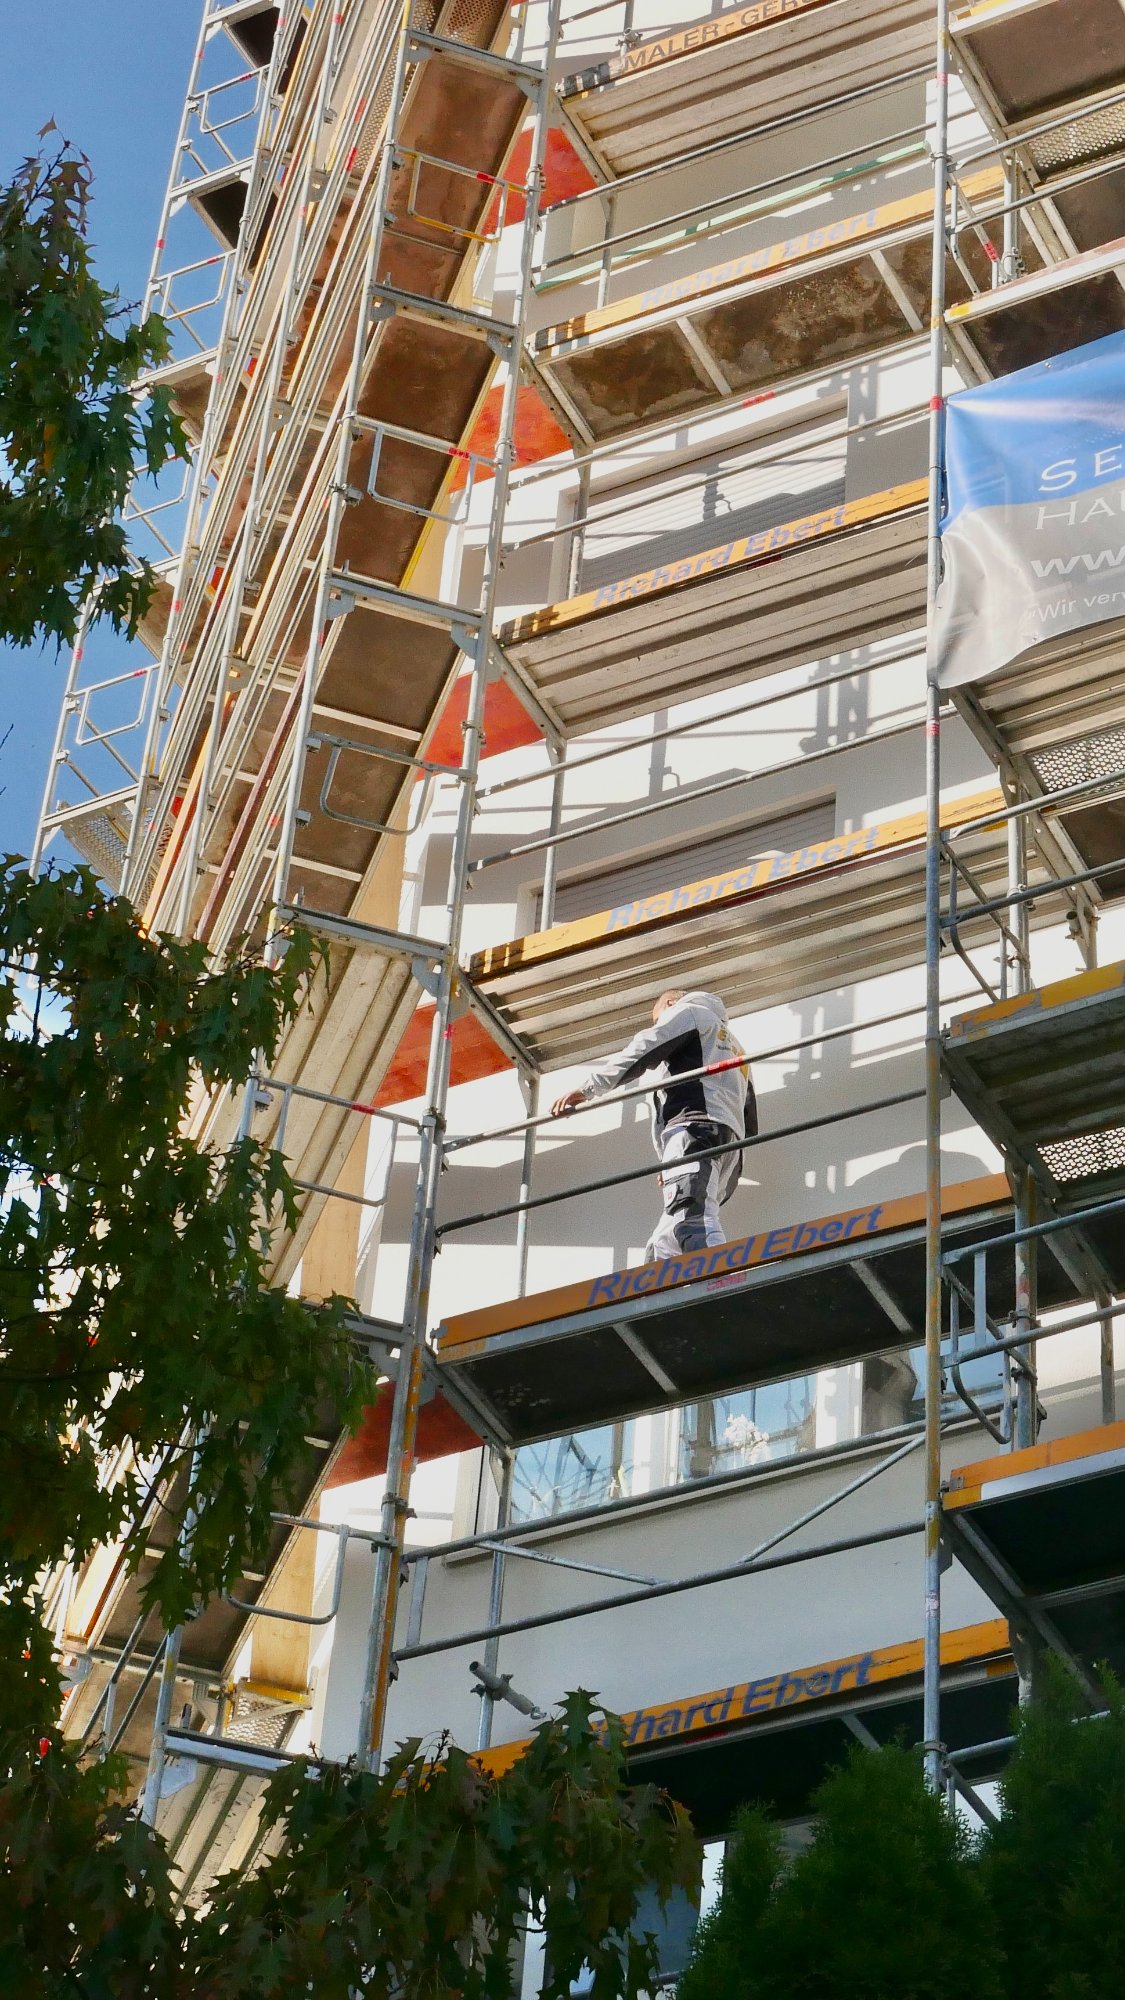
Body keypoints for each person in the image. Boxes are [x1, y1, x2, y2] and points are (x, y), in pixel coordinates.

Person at [550, 988, 756, 1263]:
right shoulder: (735, 1045)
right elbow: (749, 1117)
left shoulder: (689, 1013)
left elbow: (645, 1048)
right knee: (664, 1242)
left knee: (691, 1219)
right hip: (729, 1145)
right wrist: (670, 1163)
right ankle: (657, 1296)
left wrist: (588, 1089)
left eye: (658, 1017)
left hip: (692, 1131)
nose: (659, 1023)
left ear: (670, 1003)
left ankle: (721, 1283)